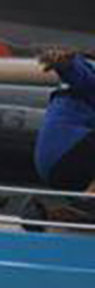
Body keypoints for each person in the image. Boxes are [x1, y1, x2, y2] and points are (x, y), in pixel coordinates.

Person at [36, 48, 95, 192]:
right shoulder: (87, 67)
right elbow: (82, 76)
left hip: (56, 166)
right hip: (68, 153)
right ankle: (88, 202)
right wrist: (66, 64)